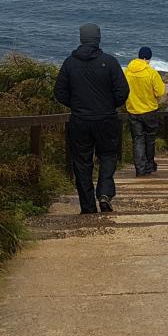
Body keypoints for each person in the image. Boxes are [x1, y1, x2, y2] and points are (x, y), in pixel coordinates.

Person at [54, 23, 129, 214]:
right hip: (106, 119)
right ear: (98, 39)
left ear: (81, 39)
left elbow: (59, 91)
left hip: (80, 120)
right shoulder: (110, 62)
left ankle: (87, 207)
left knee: (81, 162)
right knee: (108, 156)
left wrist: (76, 106)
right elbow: (123, 91)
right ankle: (104, 193)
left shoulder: (70, 63)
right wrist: (109, 106)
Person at [124, 46, 166, 176]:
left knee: (137, 139)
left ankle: (139, 169)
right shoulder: (151, 72)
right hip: (149, 110)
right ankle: (149, 165)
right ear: (147, 58)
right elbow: (160, 91)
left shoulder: (127, 71)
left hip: (133, 110)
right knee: (150, 138)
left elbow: (122, 88)